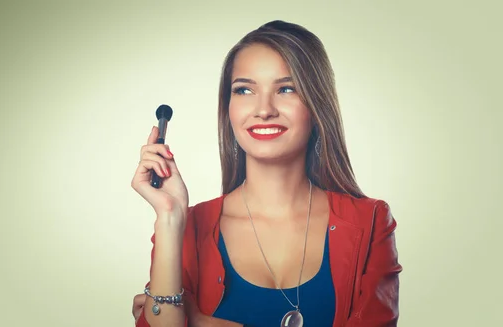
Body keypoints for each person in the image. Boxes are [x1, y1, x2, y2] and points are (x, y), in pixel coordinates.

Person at [130, 20, 402, 327]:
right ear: (228, 108)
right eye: (244, 90)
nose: (263, 110)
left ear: (316, 105)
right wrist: (168, 216)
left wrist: (205, 324)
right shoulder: (185, 227)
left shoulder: (370, 221)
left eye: (286, 88)